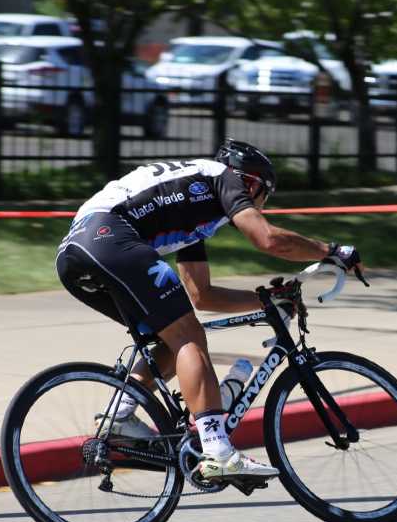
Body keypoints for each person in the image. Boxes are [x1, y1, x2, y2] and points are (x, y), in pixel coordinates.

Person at [55, 139, 362, 482]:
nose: (258, 204)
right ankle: (218, 451)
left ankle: (120, 414)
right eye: (263, 195)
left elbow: (201, 295)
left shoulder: (195, 204)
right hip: (109, 237)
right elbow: (269, 240)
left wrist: (267, 300)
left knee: (172, 336)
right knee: (190, 336)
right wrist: (332, 251)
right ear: (251, 183)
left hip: (76, 255)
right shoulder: (223, 177)